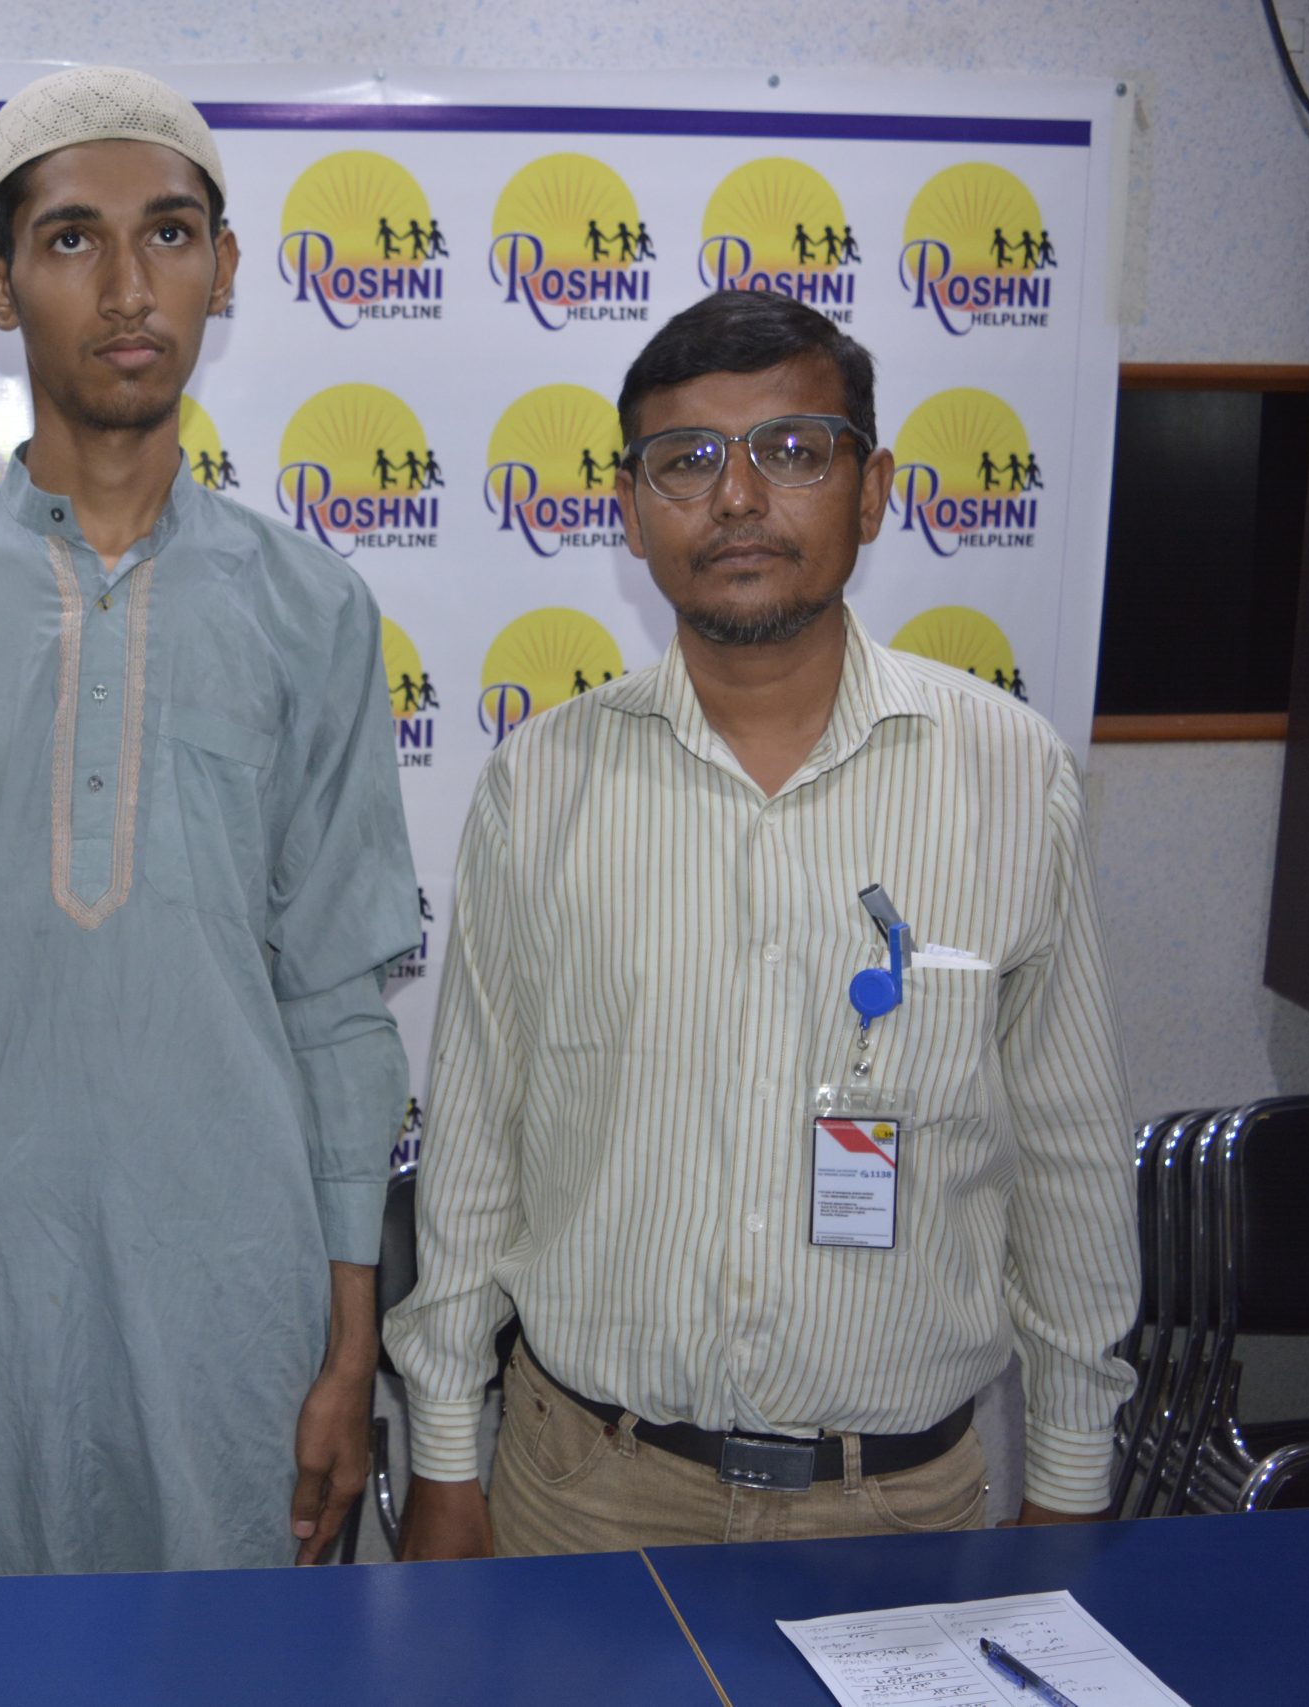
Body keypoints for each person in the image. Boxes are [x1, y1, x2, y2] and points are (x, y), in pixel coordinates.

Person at [385, 289, 1139, 1559]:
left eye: (791, 450)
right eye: (686, 460)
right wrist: (446, 1457)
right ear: (631, 512)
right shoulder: (541, 784)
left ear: (873, 490)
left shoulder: (1009, 775)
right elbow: (472, 1146)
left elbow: (1067, 1158)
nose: (737, 498)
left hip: (897, 1510)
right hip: (584, 1493)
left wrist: (1069, 1471)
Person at [0, 66, 418, 1578]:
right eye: (73, 238)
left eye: (170, 234)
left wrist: (349, 1350)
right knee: (1, 1669)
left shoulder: (314, 609)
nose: (130, 286)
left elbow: (338, 1006)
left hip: (248, 1303)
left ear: (227, 266)